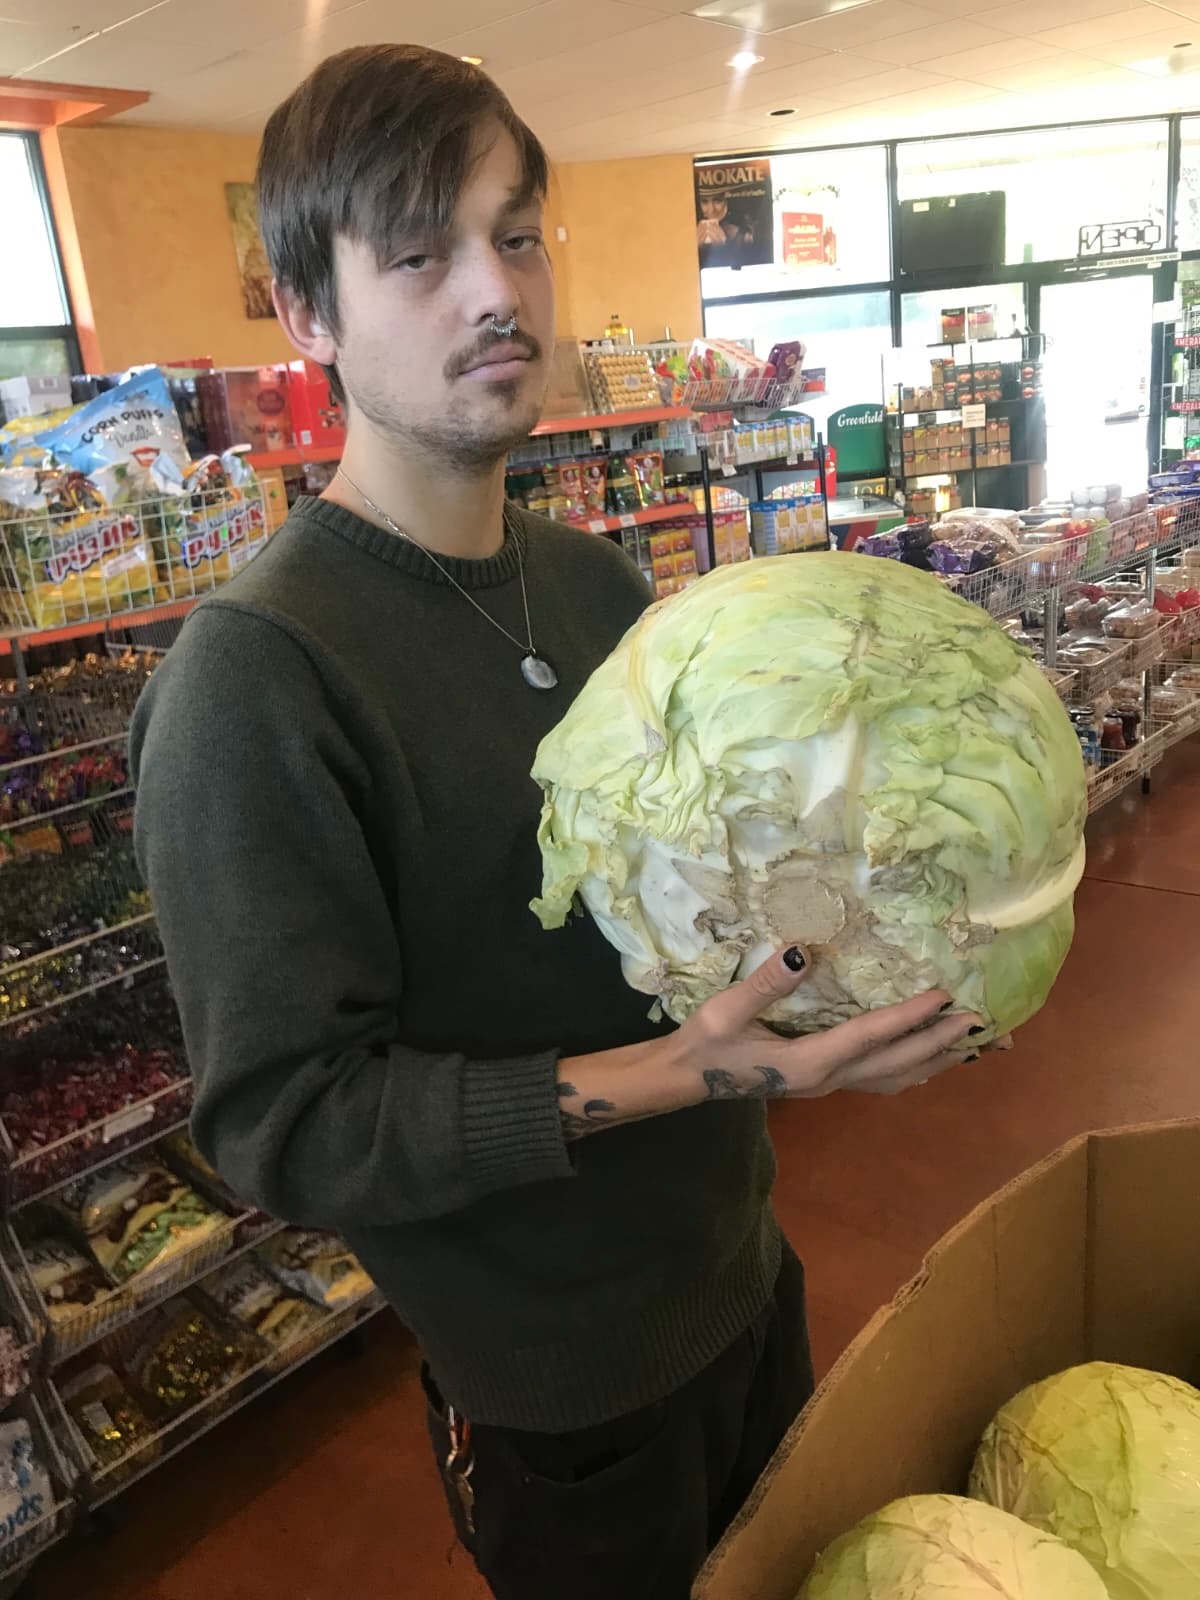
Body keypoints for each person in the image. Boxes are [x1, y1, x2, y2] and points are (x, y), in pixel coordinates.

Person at [130, 44, 981, 1600]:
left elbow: (693, 924)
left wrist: (847, 994)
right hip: (565, 1403)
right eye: (420, 253)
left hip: (748, 1278)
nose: (493, 290)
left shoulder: (594, 584)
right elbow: (288, 1124)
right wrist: (684, 1072)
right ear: (306, 312)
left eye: (515, 233)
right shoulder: (255, 679)